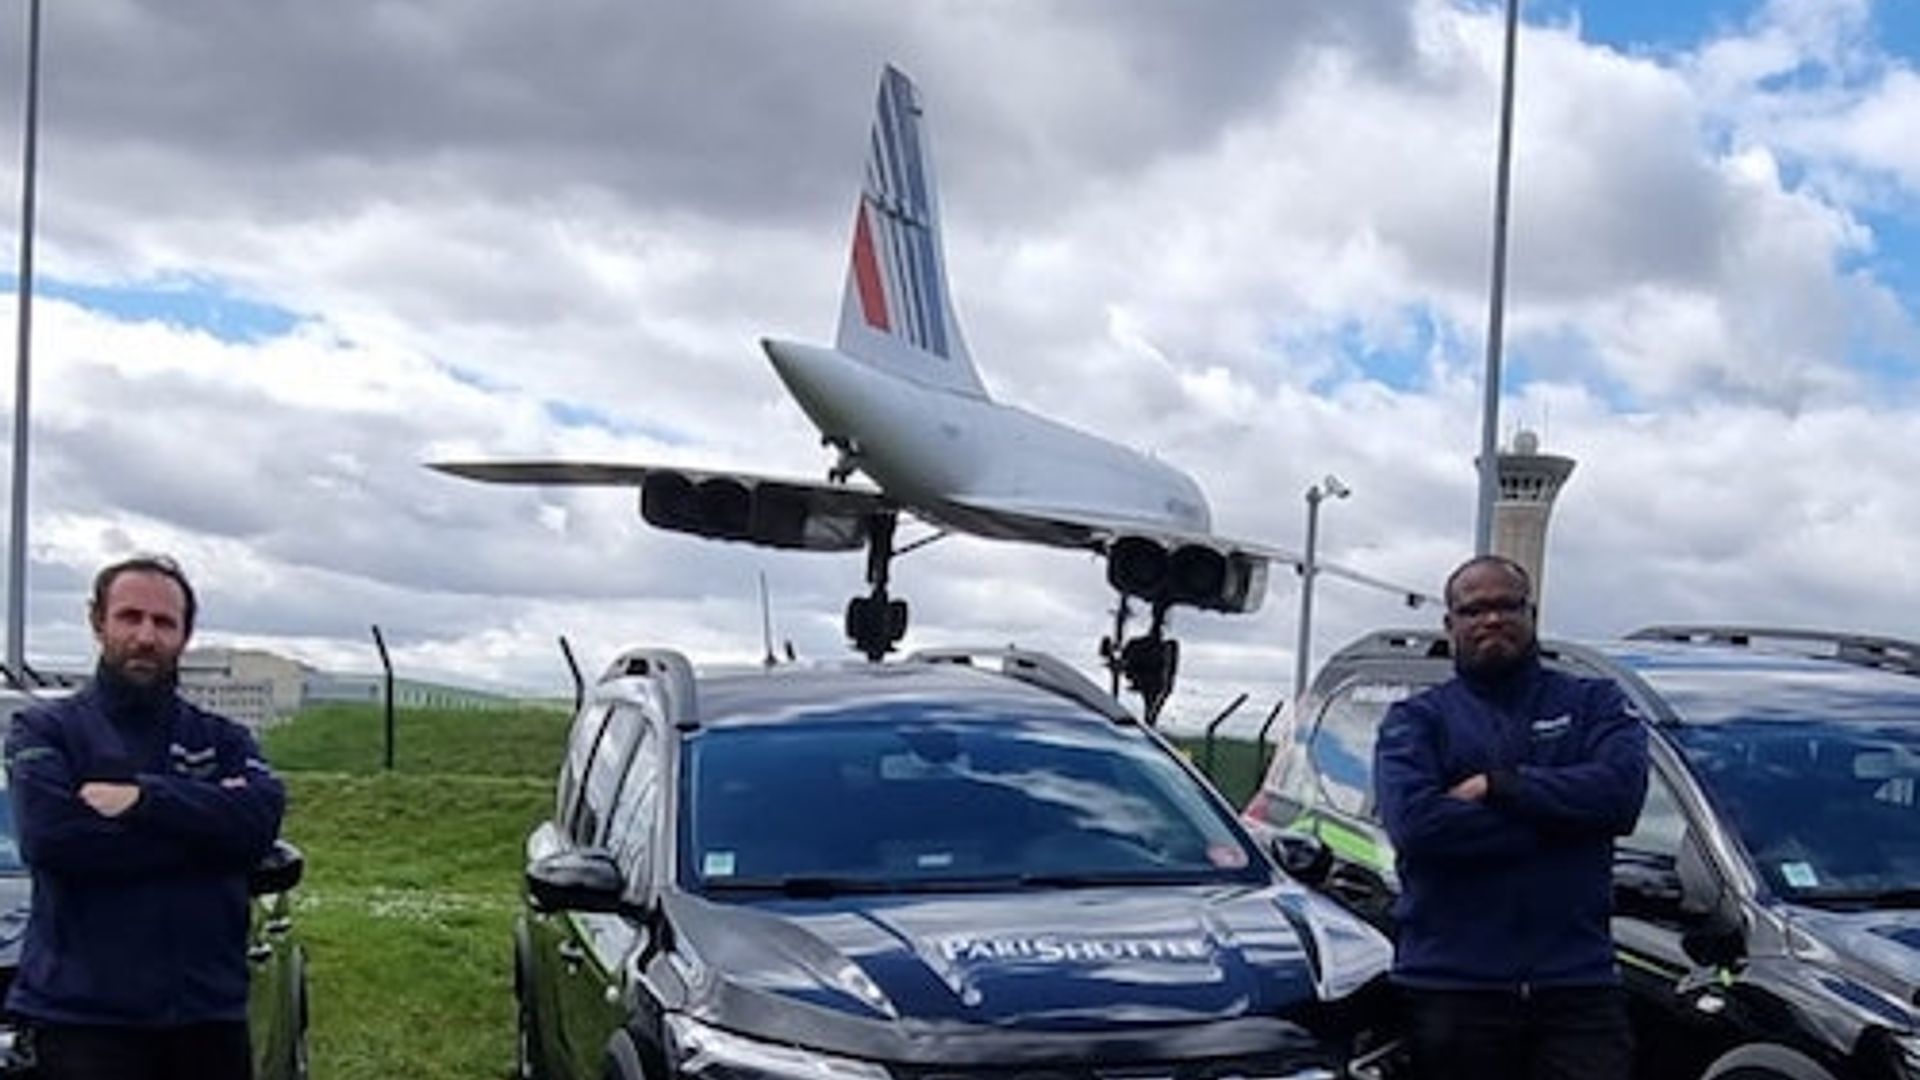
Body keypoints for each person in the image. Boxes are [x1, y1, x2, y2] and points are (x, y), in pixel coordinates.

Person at [5, 555, 286, 1080]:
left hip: (207, 1023)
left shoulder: (223, 739)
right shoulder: (45, 730)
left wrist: (144, 801)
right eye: (129, 617)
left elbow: (257, 824)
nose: (145, 636)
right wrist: (208, 836)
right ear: (98, 622)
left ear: (184, 634)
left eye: (163, 622)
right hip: (83, 1026)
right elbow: (52, 840)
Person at [1373, 555, 1647, 1080]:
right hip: (1452, 992)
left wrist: (1501, 786)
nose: (1492, 620)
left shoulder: (1596, 703)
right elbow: (1418, 827)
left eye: (1506, 606)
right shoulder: (1418, 719)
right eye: (1474, 610)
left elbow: (1620, 798)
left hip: (1577, 991)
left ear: (1532, 613)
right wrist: (1566, 822)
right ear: (1449, 624)